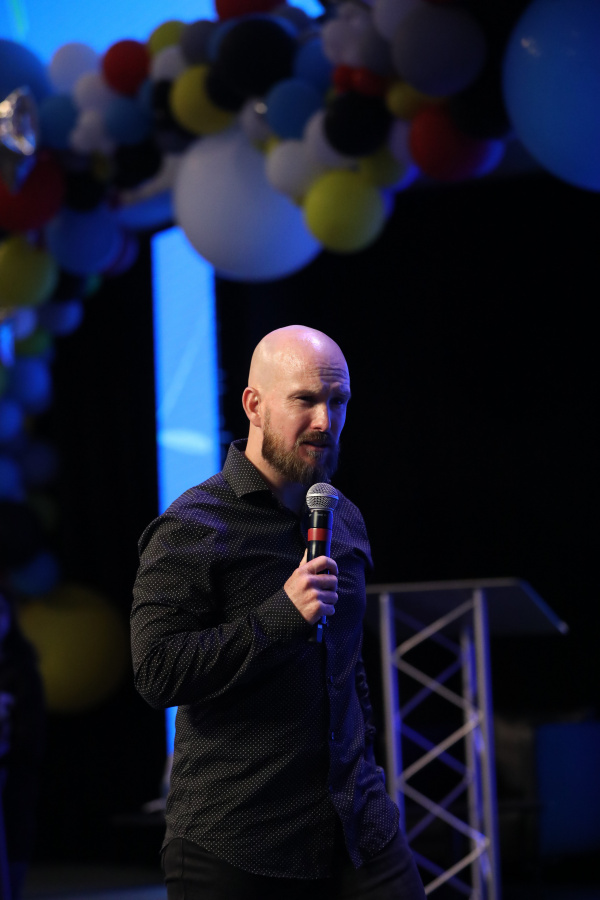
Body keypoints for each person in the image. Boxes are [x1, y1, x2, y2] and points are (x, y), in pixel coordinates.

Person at [131, 325, 425, 899]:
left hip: (357, 827)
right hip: (239, 838)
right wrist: (280, 616)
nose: (325, 421)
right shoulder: (193, 525)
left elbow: (347, 666)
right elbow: (156, 671)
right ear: (254, 405)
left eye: (338, 402)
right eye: (305, 400)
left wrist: (366, 765)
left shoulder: (344, 518)